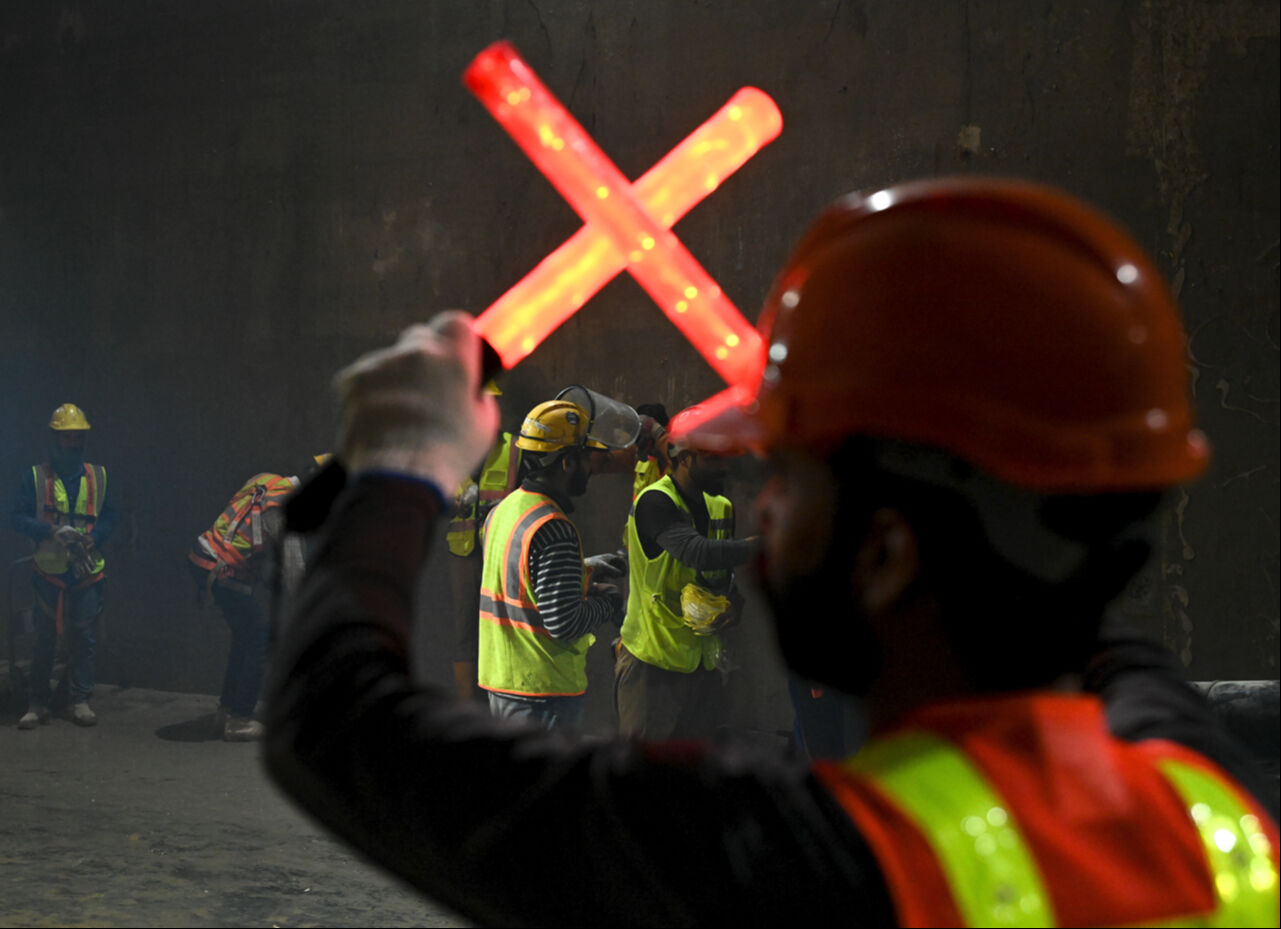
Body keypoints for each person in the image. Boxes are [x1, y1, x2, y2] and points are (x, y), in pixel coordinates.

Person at [262, 178, 1279, 926]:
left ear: (884, 550)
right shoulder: (1212, 796)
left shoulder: (807, 861)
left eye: (783, 484)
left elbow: (339, 722)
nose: (756, 535)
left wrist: (397, 466)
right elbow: (1106, 626)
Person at [476, 395, 629, 730]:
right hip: (543, 690)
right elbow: (564, 623)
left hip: (504, 682)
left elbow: (520, 579)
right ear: (566, 462)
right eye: (586, 458)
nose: (590, 468)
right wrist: (607, 602)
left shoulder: (504, 510)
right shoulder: (553, 527)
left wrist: (584, 568)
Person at [615, 407, 760, 739]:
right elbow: (695, 551)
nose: (724, 468)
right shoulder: (655, 502)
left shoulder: (720, 506)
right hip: (653, 667)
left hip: (703, 668)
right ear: (684, 458)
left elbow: (720, 574)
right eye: (713, 459)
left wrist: (732, 602)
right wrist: (763, 545)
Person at [10, 403, 115, 729]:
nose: (72, 443)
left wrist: (94, 538)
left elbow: (111, 516)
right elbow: (16, 517)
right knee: (44, 636)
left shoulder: (98, 476)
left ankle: (79, 700)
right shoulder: (35, 477)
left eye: (77, 437)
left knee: (83, 638)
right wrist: (52, 531)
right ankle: (38, 702)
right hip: (49, 568)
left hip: (86, 566)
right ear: (54, 438)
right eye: (66, 437)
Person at [189, 470, 303, 741]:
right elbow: (295, 570)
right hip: (223, 570)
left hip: (204, 558)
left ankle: (226, 712)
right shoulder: (287, 508)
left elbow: (245, 526)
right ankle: (239, 720)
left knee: (245, 637)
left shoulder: (264, 480)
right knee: (260, 640)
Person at [445, 392, 519, 701]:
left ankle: (501, 702)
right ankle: (468, 707)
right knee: (465, 632)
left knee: (504, 628)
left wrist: (502, 507)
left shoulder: (514, 448)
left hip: (502, 554)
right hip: (463, 554)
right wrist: (457, 503)